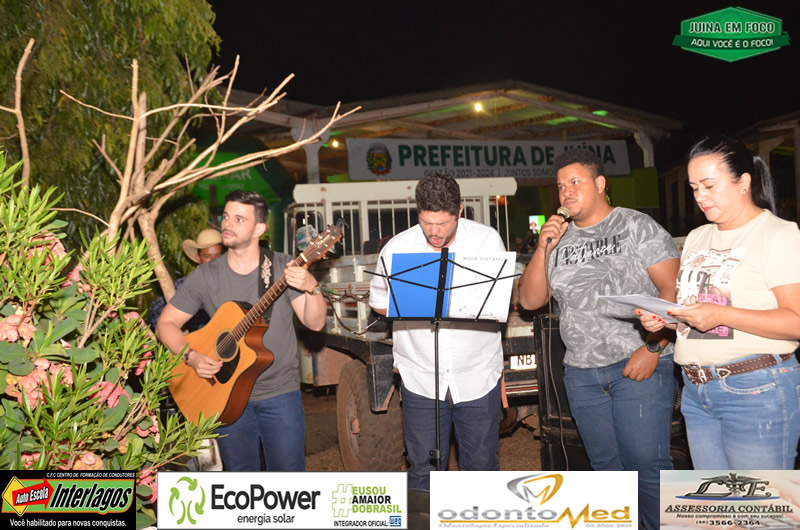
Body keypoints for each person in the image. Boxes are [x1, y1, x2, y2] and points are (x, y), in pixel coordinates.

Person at [518, 149, 679, 530]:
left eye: (575, 182)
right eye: (561, 186)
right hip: (582, 374)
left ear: (600, 183)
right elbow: (530, 300)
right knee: (606, 468)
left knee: (646, 464)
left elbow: (672, 290)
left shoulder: (636, 225)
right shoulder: (558, 240)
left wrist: (653, 346)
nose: (566, 192)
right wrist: (543, 247)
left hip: (638, 364)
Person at [636, 136, 800, 469]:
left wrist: (721, 314)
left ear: (744, 182)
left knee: (758, 501)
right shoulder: (698, 237)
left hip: (756, 387)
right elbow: (701, 315)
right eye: (694, 188)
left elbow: (795, 321)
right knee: (716, 500)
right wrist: (666, 320)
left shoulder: (779, 234)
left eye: (709, 186)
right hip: (696, 391)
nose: (700, 197)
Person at [155, 191, 326, 471]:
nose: (227, 223)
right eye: (226, 216)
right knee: (239, 482)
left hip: (279, 394)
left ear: (259, 229)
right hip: (223, 397)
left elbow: (315, 323)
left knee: (289, 481)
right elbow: (166, 324)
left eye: (238, 219)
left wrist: (312, 287)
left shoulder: (282, 267)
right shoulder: (206, 275)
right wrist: (191, 356)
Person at [368, 173, 507, 491]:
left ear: (459, 211)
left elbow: (499, 300)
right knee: (424, 471)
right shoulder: (398, 247)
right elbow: (377, 302)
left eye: (442, 223)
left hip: (478, 374)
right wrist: (413, 302)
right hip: (420, 375)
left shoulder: (487, 241)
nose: (434, 231)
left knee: (482, 467)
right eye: (426, 222)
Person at [148, 228, 224, 331]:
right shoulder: (185, 285)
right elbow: (155, 309)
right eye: (207, 256)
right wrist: (172, 333)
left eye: (218, 256)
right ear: (198, 258)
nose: (213, 261)